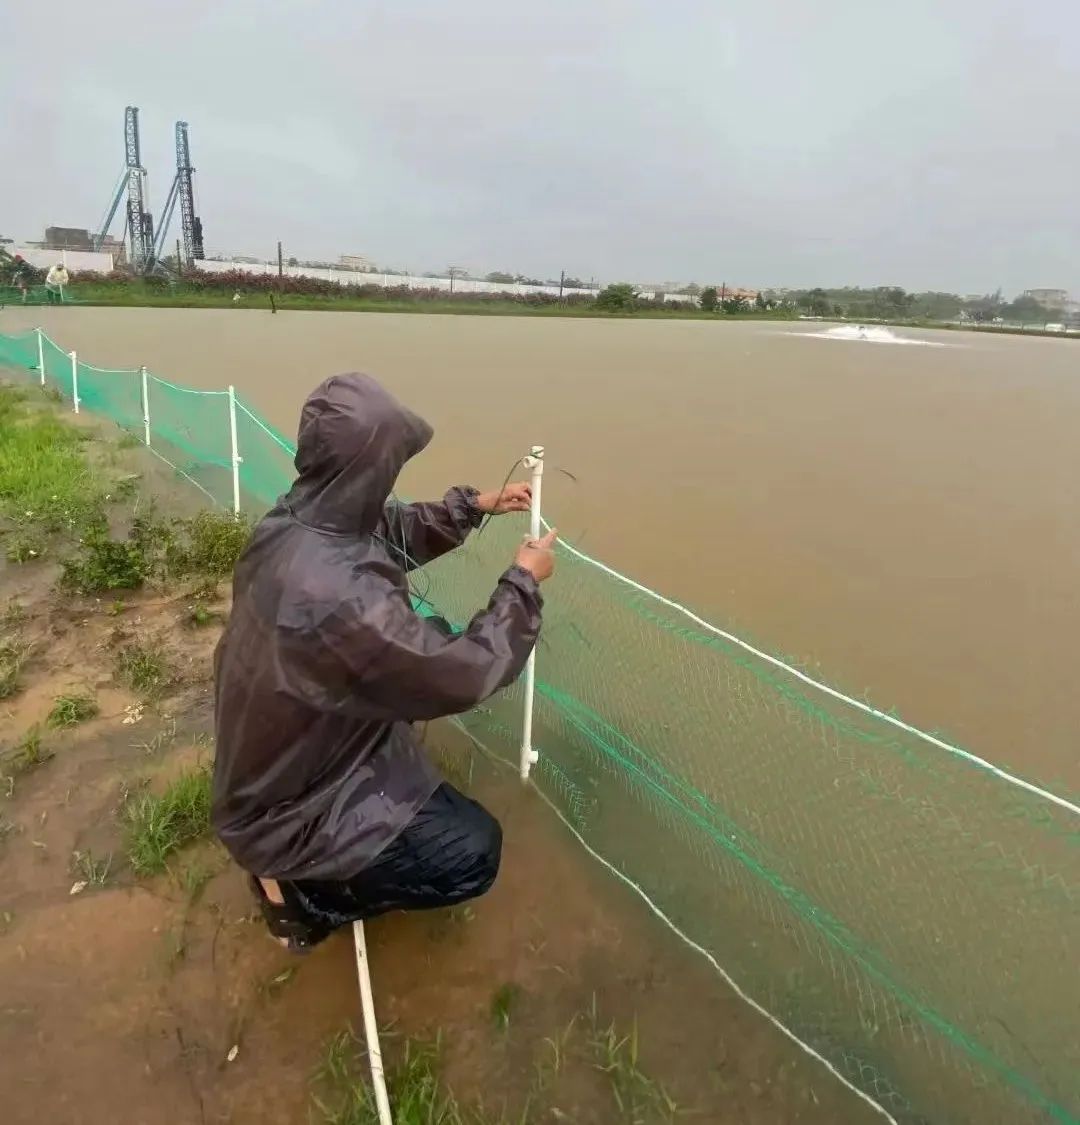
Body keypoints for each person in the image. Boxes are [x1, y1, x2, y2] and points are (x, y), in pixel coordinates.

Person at [211, 372, 557, 951]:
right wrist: (521, 584)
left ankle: (305, 867)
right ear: (369, 470)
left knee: (397, 717)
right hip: (283, 810)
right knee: (472, 851)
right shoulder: (340, 597)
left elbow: (385, 528)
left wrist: (472, 507)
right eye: (390, 464)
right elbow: (465, 670)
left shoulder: (292, 522)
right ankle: (301, 900)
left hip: (264, 763)